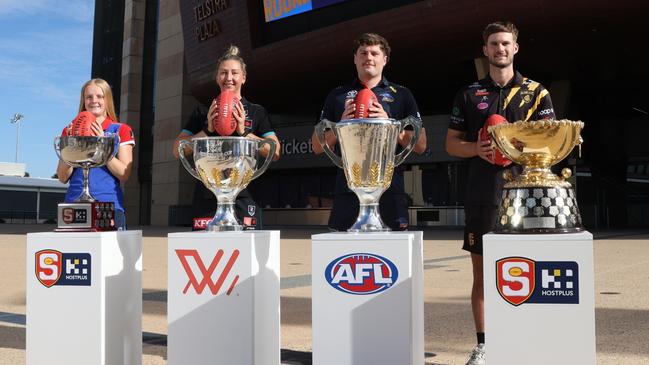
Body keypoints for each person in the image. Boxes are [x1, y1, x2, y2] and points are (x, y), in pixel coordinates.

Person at [445, 21, 555, 365]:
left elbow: (552, 143)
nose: (500, 49)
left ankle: (528, 340)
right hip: (483, 194)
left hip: (528, 195)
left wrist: (518, 150)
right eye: (494, 44)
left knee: (528, 270)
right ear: (486, 50)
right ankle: (484, 344)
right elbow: (450, 144)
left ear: (515, 48)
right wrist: (476, 150)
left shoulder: (538, 93)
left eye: (505, 43)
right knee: (483, 274)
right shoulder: (468, 93)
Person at [312, 33, 427, 231]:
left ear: (385, 59)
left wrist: (389, 124)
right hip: (348, 189)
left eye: (375, 53)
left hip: (390, 190)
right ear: (355, 58)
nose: (369, 57)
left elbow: (421, 145)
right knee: (344, 253)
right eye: (363, 53)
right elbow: (316, 146)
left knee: (393, 254)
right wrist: (341, 126)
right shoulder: (337, 95)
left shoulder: (402, 95)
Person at [173, 46, 281, 229]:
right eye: (223, 73)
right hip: (208, 195)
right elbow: (177, 150)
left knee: (246, 254)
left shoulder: (256, 112)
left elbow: (275, 151)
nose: (228, 78)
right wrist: (207, 130)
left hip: (245, 196)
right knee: (206, 252)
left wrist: (244, 133)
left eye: (234, 73)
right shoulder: (202, 111)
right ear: (217, 78)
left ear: (244, 78)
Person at [57, 78, 135, 230]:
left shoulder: (120, 130)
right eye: (89, 97)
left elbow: (124, 174)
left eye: (100, 96)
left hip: (109, 205)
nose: (94, 101)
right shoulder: (69, 130)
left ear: (107, 99)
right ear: (83, 101)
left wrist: (102, 144)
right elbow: (62, 177)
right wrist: (73, 143)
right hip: (74, 203)